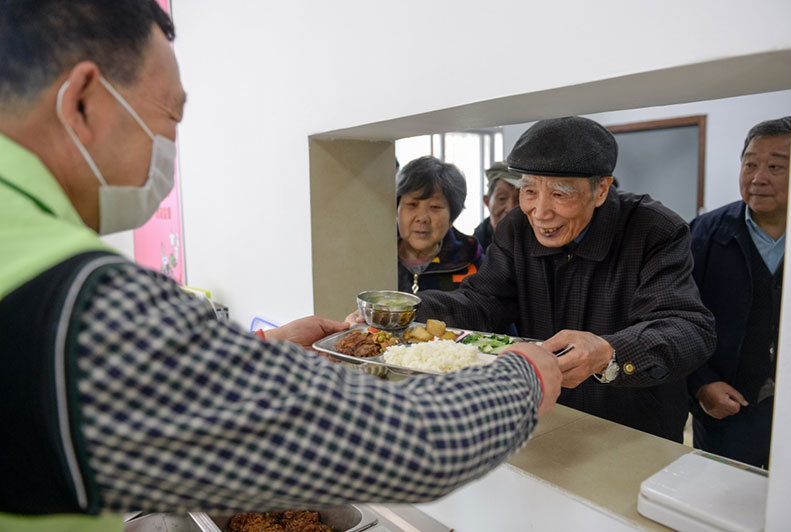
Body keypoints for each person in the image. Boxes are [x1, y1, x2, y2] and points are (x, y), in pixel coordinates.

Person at [0, 1, 563, 530]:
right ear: (81, 102)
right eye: (168, 119)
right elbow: (407, 442)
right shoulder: (78, 298)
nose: (168, 147)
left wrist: (256, 359)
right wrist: (525, 374)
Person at [401, 117, 716, 442]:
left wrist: (609, 352)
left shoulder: (654, 230)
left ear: (601, 190)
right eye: (529, 191)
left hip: (633, 424)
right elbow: (482, 301)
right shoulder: (516, 228)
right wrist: (406, 313)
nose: (539, 212)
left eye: (560, 194)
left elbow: (688, 328)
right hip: (545, 414)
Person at [688, 117, 791, 468]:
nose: (758, 177)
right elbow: (677, 317)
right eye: (750, 164)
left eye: (776, 165)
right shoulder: (704, 234)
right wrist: (702, 384)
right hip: (727, 406)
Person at [396, 156, 484, 294]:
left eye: (435, 207)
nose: (422, 218)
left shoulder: (472, 264)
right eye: (412, 204)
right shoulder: (375, 256)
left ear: (451, 217)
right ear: (397, 210)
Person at [473, 161, 521, 251]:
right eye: (502, 198)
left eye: (519, 199)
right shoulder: (472, 252)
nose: (511, 208)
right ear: (487, 201)